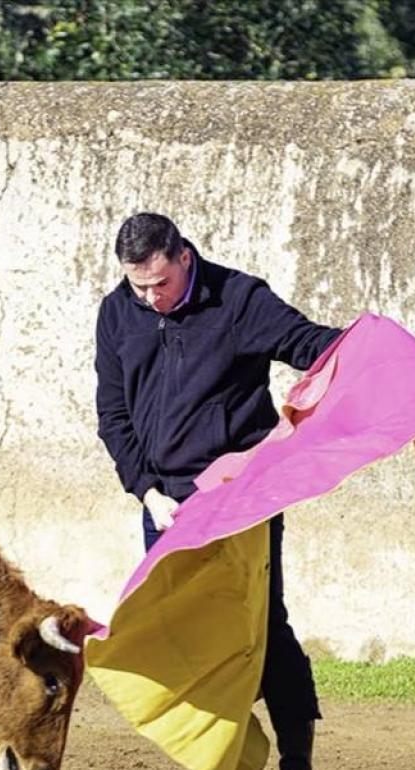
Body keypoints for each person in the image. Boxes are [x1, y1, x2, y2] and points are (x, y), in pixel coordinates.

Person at [94, 212, 341, 770]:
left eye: (161, 283)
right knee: (181, 627)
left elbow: (308, 344)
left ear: (184, 257)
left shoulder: (237, 299)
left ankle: (296, 759)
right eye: (140, 287)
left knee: (260, 623)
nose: (152, 298)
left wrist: (366, 345)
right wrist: (148, 492)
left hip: (240, 493)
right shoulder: (116, 312)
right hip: (165, 503)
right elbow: (113, 414)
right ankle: (224, 757)